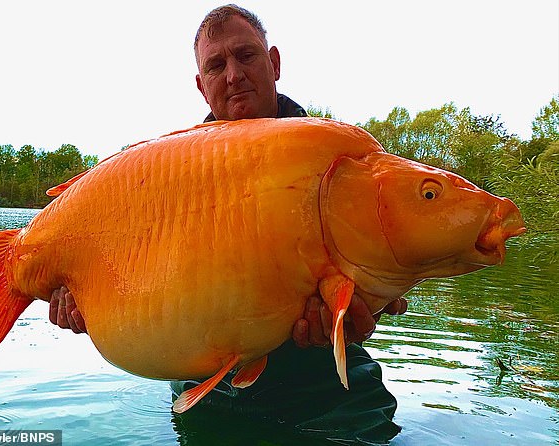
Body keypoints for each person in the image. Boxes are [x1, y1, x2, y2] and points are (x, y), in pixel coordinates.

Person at [49, 4, 407, 443]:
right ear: (202, 86)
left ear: (274, 63)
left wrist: (373, 302)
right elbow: (132, 276)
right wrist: (87, 300)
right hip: (208, 396)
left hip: (329, 394)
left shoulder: (336, 160)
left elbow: (392, 277)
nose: (234, 75)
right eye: (216, 65)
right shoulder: (168, 173)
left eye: (246, 55)